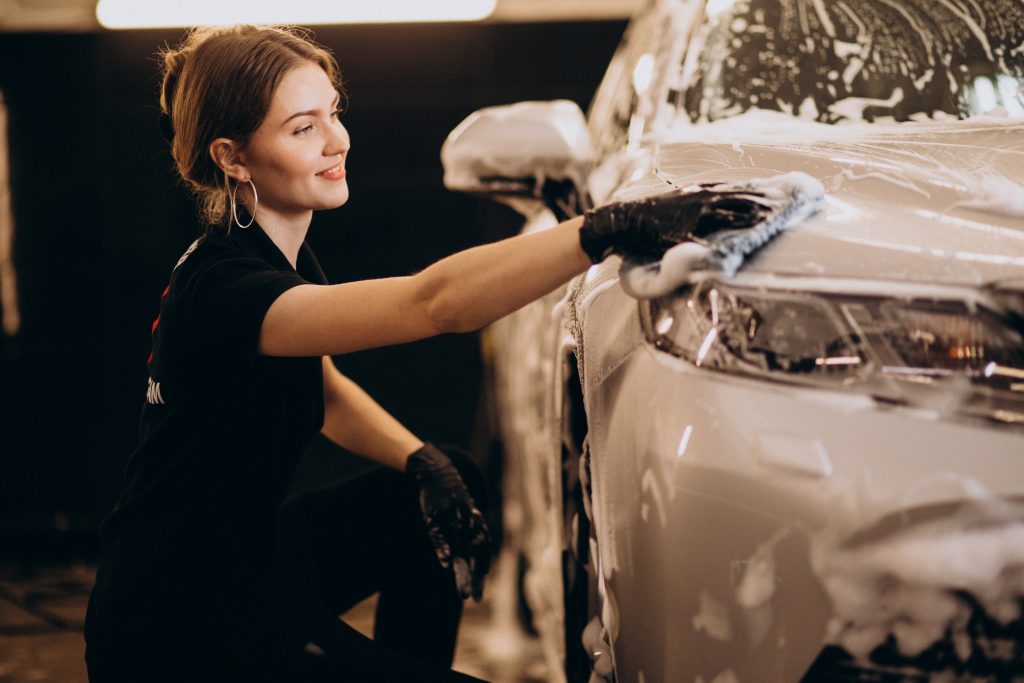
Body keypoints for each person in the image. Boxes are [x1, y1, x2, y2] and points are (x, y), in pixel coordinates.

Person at [83, 23, 715, 683]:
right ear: (233, 157)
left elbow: (321, 390)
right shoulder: (224, 287)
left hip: (244, 564)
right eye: (302, 129)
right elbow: (432, 304)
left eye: (333, 112)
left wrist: (423, 463)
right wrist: (600, 231)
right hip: (176, 626)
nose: (337, 141)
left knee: (446, 484)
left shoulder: (275, 261)